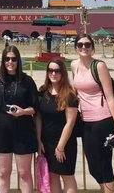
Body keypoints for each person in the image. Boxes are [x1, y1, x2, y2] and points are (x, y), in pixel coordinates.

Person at [71, 33, 114, 192]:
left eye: (87, 45)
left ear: (92, 48)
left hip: (103, 120)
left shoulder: (99, 66)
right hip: (86, 121)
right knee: (93, 166)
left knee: (104, 165)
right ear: (76, 48)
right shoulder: (74, 65)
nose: (84, 47)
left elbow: (110, 98)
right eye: (80, 45)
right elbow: (75, 92)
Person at [0, 46, 39, 193]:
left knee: (24, 173)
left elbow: (36, 107)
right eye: (7, 59)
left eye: (13, 59)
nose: (10, 62)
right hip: (2, 130)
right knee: (3, 173)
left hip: (23, 131)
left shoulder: (27, 81)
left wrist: (23, 112)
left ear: (18, 60)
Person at [37, 60, 78, 193]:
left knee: (67, 177)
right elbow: (37, 117)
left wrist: (60, 147)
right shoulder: (42, 92)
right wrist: (39, 140)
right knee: (53, 177)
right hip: (47, 142)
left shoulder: (69, 95)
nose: (53, 73)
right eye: (50, 70)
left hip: (64, 143)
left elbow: (70, 122)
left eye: (57, 71)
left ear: (63, 73)